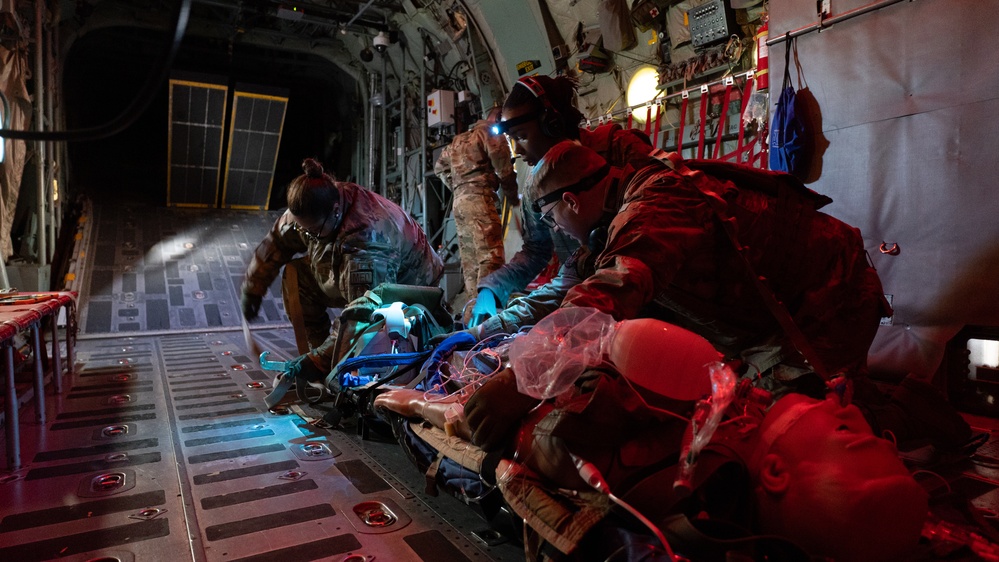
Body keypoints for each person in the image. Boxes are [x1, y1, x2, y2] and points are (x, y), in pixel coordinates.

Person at [375, 312, 930, 562]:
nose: (842, 405)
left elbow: (569, 350)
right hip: (532, 400)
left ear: (777, 472)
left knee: (427, 350)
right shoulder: (708, 456)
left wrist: (427, 403)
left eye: (845, 430)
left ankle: (407, 395)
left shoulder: (689, 395)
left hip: (502, 399)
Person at [469, 74, 654, 326]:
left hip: (651, 296)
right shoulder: (537, 185)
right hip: (592, 303)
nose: (518, 151)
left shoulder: (619, 150)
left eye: (521, 136)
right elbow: (537, 252)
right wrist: (491, 288)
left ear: (552, 124)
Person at [240, 158, 443, 383]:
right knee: (296, 278)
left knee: (375, 335)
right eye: (303, 230)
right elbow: (277, 242)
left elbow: (364, 314)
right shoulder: (309, 207)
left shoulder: (368, 237)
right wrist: (253, 288)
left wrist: (317, 361)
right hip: (350, 262)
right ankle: (321, 356)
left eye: (314, 231)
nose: (308, 237)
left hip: (408, 285)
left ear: (336, 211)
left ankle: (334, 364)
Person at [433, 106, 519, 297]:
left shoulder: (459, 140)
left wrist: (459, 186)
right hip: (480, 200)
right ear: (498, 120)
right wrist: (514, 200)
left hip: (460, 204)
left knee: (470, 263)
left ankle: (472, 313)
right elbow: (505, 170)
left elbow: (439, 167)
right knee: (491, 257)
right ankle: (487, 310)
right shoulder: (490, 133)